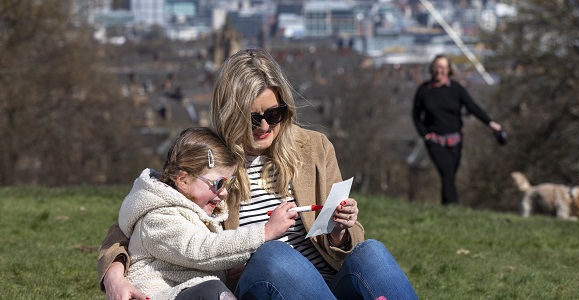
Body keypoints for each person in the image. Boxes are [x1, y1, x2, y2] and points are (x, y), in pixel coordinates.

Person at [98, 48, 418, 300]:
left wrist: (340, 233)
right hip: (263, 285)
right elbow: (140, 216)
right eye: (254, 119)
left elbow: (348, 242)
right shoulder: (209, 160)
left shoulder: (315, 148)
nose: (266, 127)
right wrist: (114, 275)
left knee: (371, 251)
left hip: (328, 281)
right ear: (231, 114)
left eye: (274, 114)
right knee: (274, 254)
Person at [116, 127, 296, 300]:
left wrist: (229, 271)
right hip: (162, 296)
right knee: (213, 291)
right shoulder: (158, 218)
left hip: (191, 292)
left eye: (229, 184)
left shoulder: (201, 215)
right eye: (218, 184)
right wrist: (264, 231)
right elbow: (200, 249)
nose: (224, 193)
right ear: (183, 180)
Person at [412, 54, 503, 206]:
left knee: (449, 175)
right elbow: (415, 115)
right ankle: (453, 206)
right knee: (446, 171)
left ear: (449, 70)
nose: (439, 70)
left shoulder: (456, 89)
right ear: (432, 69)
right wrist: (425, 134)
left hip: (455, 140)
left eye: (442, 67)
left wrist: (490, 123)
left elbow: (472, 107)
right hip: (434, 140)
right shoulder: (424, 90)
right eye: (437, 67)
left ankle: (446, 207)